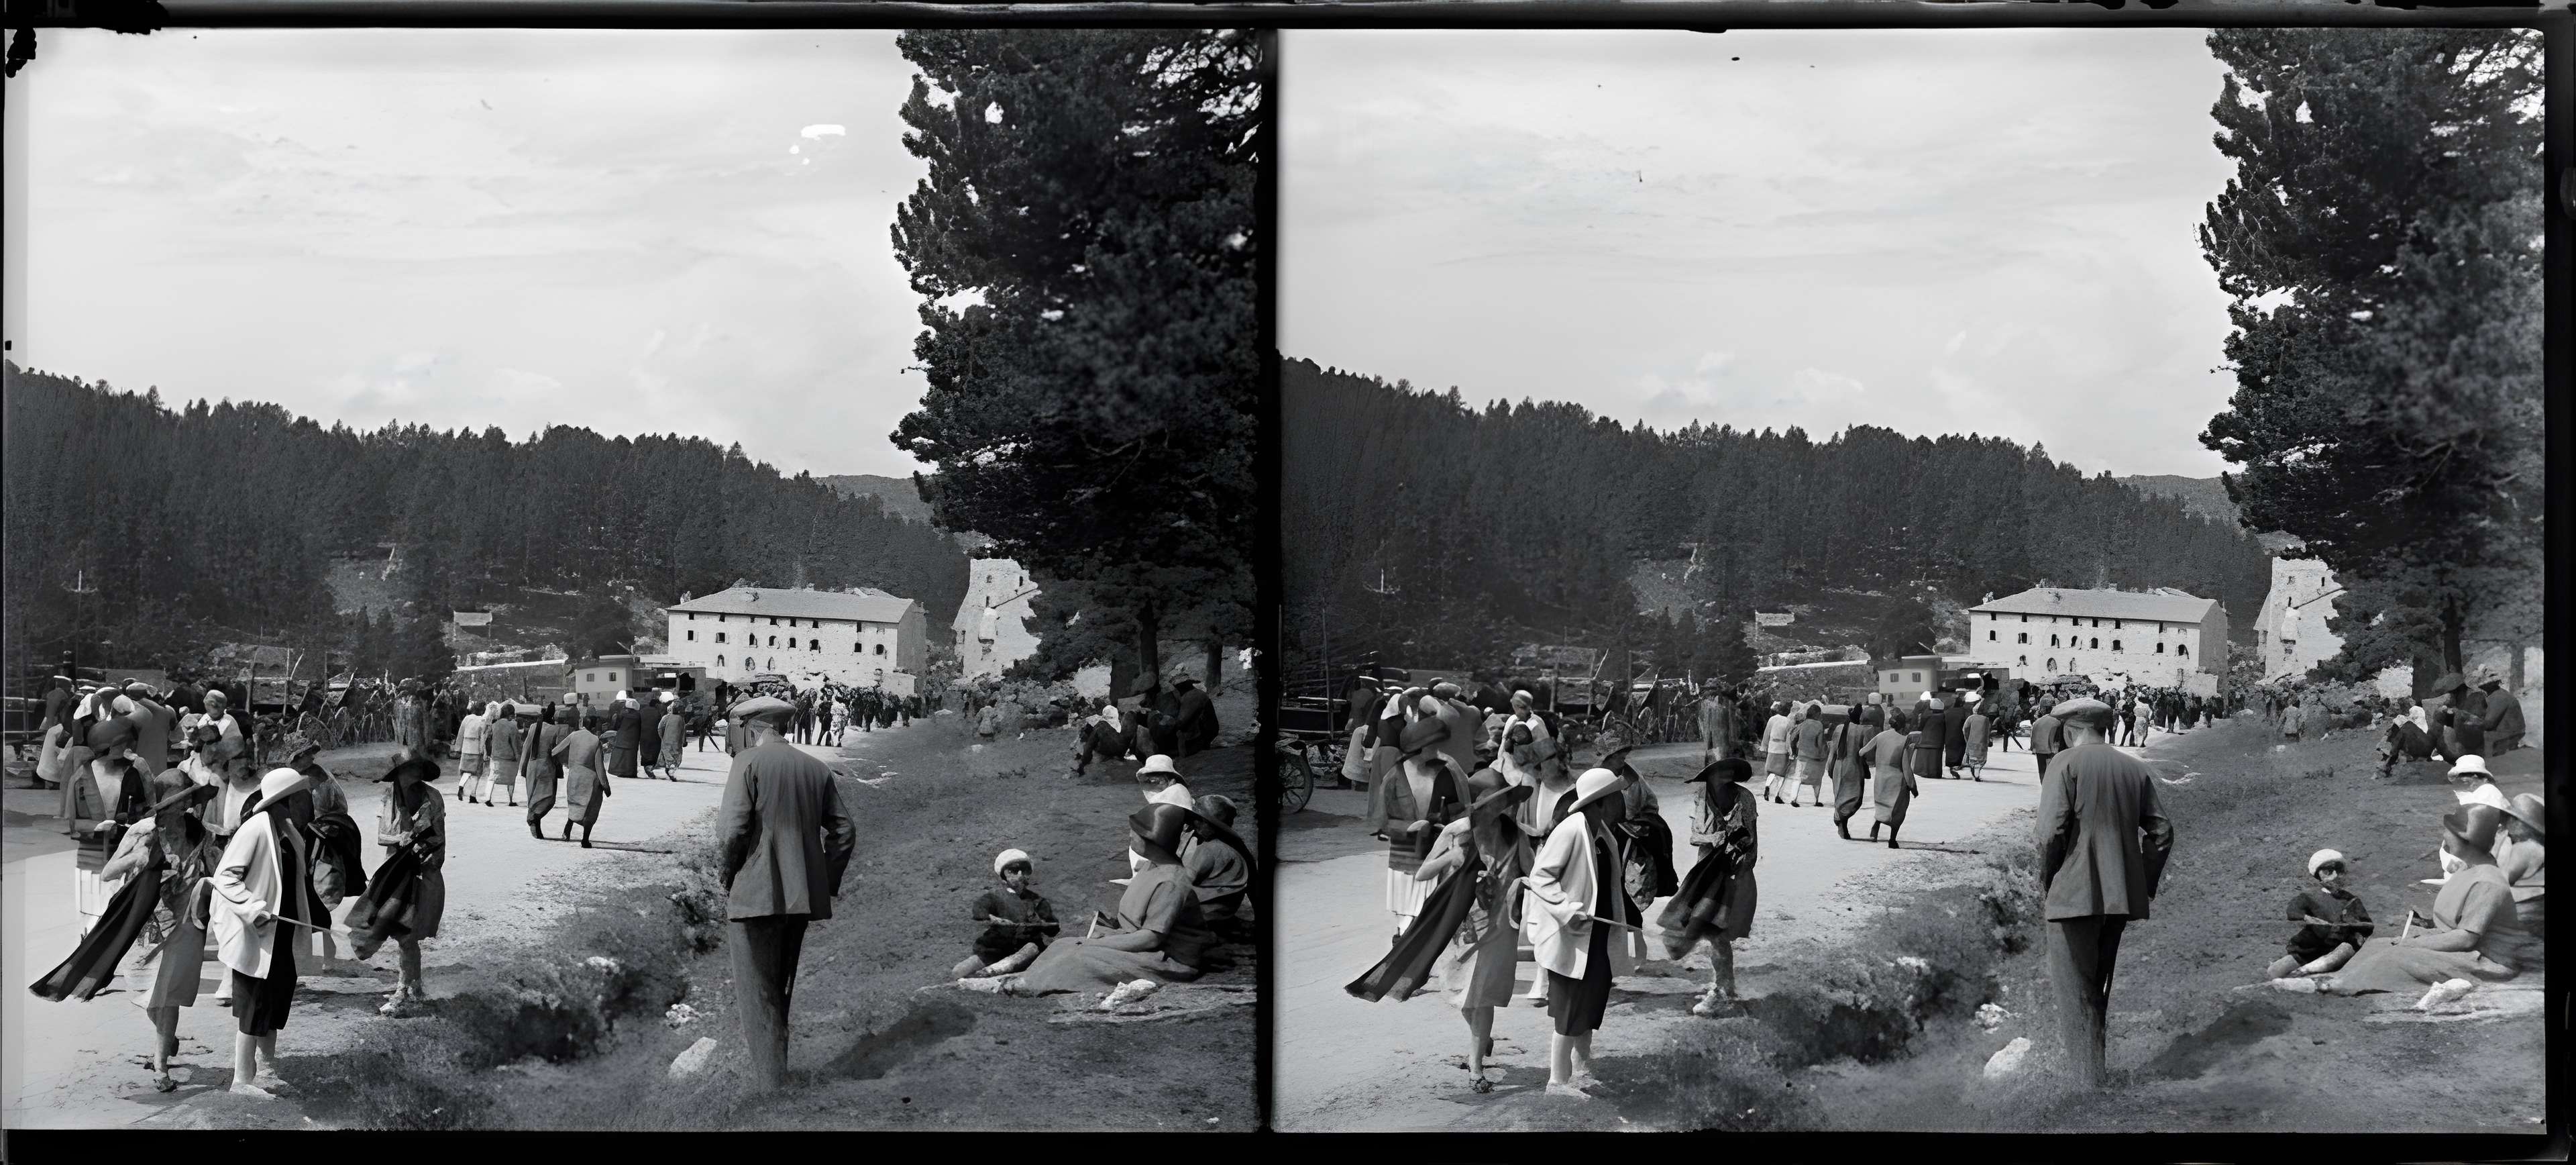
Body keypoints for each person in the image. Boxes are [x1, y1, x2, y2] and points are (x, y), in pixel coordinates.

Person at [1346, 771, 1534, 1095]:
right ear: (1478, 807)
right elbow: (1422, 874)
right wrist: (1452, 857)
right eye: (1493, 803)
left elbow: (1532, 872)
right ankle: (1483, 1038)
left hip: (1500, 930)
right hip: (1462, 930)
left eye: (1504, 801)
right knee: (1463, 998)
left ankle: (1476, 1068)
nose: (1501, 809)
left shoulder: (1516, 835)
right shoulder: (1456, 833)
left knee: (1483, 998)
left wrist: (1526, 885)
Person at [714, 696, 859, 1090]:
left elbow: (733, 831)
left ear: (752, 728)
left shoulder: (747, 763)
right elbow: (844, 831)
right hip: (801, 898)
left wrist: (724, 880)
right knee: (781, 987)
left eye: (736, 730)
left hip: (753, 894)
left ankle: (770, 1085)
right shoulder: (815, 767)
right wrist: (823, 882)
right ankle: (778, 1073)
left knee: (756, 991)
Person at [2035, 698, 2176, 1088]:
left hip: (2072, 893)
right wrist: (2141, 883)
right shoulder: (2134, 767)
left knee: (2073, 991)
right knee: (2098, 986)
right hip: (2120, 897)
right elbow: (2162, 833)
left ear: (2070, 729)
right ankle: (2095, 1074)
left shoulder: (2064, 764)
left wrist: (2047, 882)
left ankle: (2085, 1084)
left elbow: (2050, 834)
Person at [1001, 802, 1250, 997]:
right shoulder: (1154, 866)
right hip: (1145, 942)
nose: (1130, 837)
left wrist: (1100, 945)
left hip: (1168, 958)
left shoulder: (1173, 881)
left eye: (1135, 834)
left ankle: (1017, 986)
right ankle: (1016, 977)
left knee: (1080, 958)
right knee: (1063, 945)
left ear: (1153, 840)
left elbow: (1151, 937)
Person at [2309, 805, 2534, 1007]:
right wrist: (2422, 929)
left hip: (2486, 960)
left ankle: (2336, 986)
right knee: (2378, 945)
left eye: (2449, 831)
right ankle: (2339, 978)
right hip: (2462, 944)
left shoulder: (2488, 880)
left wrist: (2417, 944)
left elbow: (2466, 938)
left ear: (2467, 839)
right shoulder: (2469, 868)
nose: (2444, 835)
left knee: (2396, 957)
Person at [1520, 767, 1635, 1099]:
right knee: (1570, 1005)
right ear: (1601, 801)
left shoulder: (1604, 834)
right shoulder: (1572, 830)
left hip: (1596, 935)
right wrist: (1567, 910)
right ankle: (1557, 1082)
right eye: (1616, 796)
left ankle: (1582, 1068)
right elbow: (1540, 877)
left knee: (1592, 1001)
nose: (1621, 802)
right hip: (1572, 934)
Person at [209, 766, 326, 1097]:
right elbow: (226, 879)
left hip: (282, 935)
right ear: (283, 801)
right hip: (259, 933)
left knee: (277, 997)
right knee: (255, 1004)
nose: (305, 803)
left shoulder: (286, 830)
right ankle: (242, 1080)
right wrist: (253, 908)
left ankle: (267, 1065)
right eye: (298, 797)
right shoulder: (256, 829)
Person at [1660, 756, 1758, 1016]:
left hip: (1735, 874)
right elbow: (1694, 836)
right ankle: (1724, 988)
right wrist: (1713, 838)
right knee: (1710, 931)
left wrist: (1743, 863)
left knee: (1718, 933)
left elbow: (1753, 839)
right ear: (1709, 775)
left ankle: (1723, 990)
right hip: (1705, 873)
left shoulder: (1745, 798)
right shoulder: (1701, 797)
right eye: (1719, 771)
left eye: (1729, 770)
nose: (1725, 775)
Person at [354, 754, 448, 1014]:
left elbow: (440, 834)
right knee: (401, 932)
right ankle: (410, 987)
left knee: (409, 933)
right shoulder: (389, 796)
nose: (415, 773)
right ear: (398, 774)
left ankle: (406, 990)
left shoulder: (433, 796)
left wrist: (432, 856)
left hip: (424, 871)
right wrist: (402, 837)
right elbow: (382, 836)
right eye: (409, 769)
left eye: (418, 768)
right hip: (395, 872)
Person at [1382, 750, 1468, 942]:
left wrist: (1442, 819)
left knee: (1427, 907)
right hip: (1405, 853)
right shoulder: (1395, 776)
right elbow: (1384, 820)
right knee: (1406, 910)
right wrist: (1410, 828)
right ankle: (1403, 940)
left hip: (1434, 848)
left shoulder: (1447, 770)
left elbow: (1459, 807)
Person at [953, 848, 1059, 979]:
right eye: (1014, 871)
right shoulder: (994, 897)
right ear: (1004, 875)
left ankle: (991, 974)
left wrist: (1042, 924)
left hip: (1024, 951)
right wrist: (995, 919)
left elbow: (1053, 928)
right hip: (993, 950)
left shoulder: (1037, 901)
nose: (1019, 874)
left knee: (1027, 953)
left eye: (1024, 870)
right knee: (959, 971)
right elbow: (979, 909)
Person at [2267, 849, 2373, 978]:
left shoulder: (2352, 901)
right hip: (2308, 950)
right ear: (2320, 875)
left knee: (2341, 953)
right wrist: (2308, 919)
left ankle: (2305, 972)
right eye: (2327, 872)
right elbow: (2293, 911)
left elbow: (2367, 925)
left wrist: (2353, 929)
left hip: (2338, 949)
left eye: (2337, 871)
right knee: (2275, 972)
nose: (2333, 876)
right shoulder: (2309, 897)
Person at [1185, 794, 1252, 931]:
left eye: (1200, 820)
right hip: (1224, 910)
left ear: (1212, 825)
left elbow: (1185, 879)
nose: (1195, 823)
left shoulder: (1209, 849)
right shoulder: (1232, 846)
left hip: (1207, 913)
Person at [555, 711, 610, 846]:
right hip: (589, 781)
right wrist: (606, 786)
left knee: (575, 806)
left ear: (582, 724)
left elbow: (556, 750)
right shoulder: (595, 740)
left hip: (574, 777)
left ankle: (567, 830)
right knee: (591, 810)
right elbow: (599, 767)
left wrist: (562, 764)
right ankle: (585, 840)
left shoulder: (574, 735)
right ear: (593, 726)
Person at [1828, 701, 1877, 840]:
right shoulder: (1863, 730)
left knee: (1840, 797)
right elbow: (1865, 752)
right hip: (1854, 767)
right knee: (1855, 799)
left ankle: (1841, 821)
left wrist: (1830, 767)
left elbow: (1832, 750)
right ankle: (1841, 820)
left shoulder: (1839, 728)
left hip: (1838, 767)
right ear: (1860, 717)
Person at [520, 705, 569, 840]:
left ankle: (536, 823)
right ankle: (533, 817)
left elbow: (526, 747)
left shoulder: (533, 727)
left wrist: (523, 768)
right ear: (553, 717)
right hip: (546, 767)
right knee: (548, 798)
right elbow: (557, 751)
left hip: (532, 766)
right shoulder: (555, 730)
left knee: (533, 796)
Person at [1786, 702, 1829, 809]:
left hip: (1802, 755)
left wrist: (1794, 751)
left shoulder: (1802, 724)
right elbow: (1820, 743)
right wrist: (1822, 754)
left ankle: (1793, 799)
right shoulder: (1819, 725)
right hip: (1815, 757)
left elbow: (1792, 738)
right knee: (1817, 779)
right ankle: (1816, 801)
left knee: (1797, 778)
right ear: (1817, 714)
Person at [2475, 668, 2525, 756]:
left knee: (2479, 738)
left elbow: (2489, 724)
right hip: (2508, 731)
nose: (2485, 687)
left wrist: (2471, 722)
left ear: (2494, 684)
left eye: (2488, 685)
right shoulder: (2494, 695)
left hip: (2511, 733)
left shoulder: (2499, 697)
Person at [1758, 701, 1794, 804]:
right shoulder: (1788, 722)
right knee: (1781, 775)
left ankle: (1767, 786)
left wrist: (1764, 746)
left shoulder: (1772, 719)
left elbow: (1767, 733)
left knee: (1771, 771)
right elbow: (1788, 739)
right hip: (1782, 749)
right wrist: (1790, 751)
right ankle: (1778, 795)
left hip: (1773, 747)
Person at [454, 702, 489, 803]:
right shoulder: (483, 720)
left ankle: (461, 785)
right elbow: (483, 738)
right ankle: (472, 796)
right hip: (476, 750)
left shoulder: (467, 718)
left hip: (466, 748)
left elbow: (460, 734)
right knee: (476, 774)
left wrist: (458, 748)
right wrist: (484, 752)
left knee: (466, 770)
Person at [1699, 685, 1738, 763]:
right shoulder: (1716, 706)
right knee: (1717, 749)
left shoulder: (1718, 706)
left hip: (1718, 731)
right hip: (1717, 731)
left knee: (1717, 749)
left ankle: (1714, 763)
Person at [2030, 701, 2065, 781]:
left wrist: (2033, 747)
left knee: (2042, 771)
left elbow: (2033, 736)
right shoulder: (2057, 722)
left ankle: (2043, 787)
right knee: (2052, 771)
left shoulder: (2037, 722)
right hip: (2052, 751)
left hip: (2040, 750)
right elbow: (2057, 738)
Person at [1961, 697, 1990, 782]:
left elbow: (1965, 729)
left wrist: (1967, 738)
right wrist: (1988, 741)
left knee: (1972, 760)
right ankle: (1977, 774)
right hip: (1982, 744)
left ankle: (1974, 773)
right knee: (1980, 761)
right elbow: (1988, 732)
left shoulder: (1971, 718)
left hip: (1972, 743)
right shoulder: (1986, 719)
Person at [656, 696, 686, 781]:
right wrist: (683, 741)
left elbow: (660, 728)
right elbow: (683, 732)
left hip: (666, 741)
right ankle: (671, 769)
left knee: (667, 756)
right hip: (677, 742)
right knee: (676, 756)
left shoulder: (665, 718)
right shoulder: (681, 719)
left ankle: (670, 768)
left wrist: (662, 737)